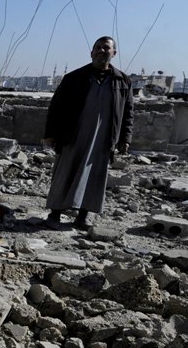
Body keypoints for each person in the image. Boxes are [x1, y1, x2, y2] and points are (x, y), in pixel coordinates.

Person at [42, 36, 133, 229]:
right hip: (73, 134)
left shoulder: (122, 81)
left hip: (103, 138)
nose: (101, 51)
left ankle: (83, 216)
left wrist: (125, 138)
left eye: (106, 48)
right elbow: (56, 107)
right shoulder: (74, 78)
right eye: (98, 48)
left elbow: (128, 112)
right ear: (91, 52)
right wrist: (50, 133)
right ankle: (55, 213)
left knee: (95, 176)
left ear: (113, 53)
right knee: (64, 171)